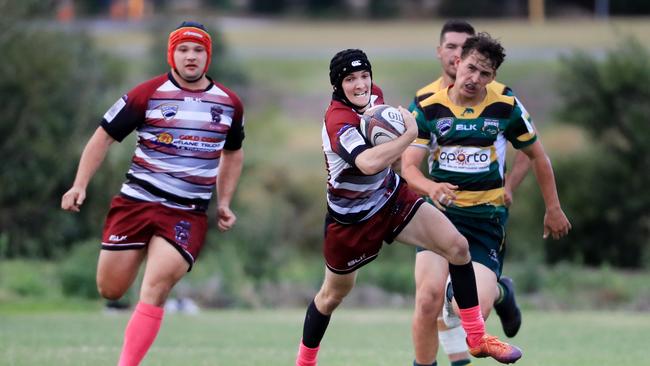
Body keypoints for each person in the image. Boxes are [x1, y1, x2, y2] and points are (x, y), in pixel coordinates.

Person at [294, 48, 522, 366]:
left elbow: (383, 154)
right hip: (351, 221)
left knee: (457, 247)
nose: (360, 85)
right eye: (350, 79)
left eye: (364, 76)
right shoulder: (338, 121)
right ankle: (304, 362)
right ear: (337, 85)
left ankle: (477, 337)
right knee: (332, 296)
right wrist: (410, 135)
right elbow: (368, 162)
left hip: (391, 199)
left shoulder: (376, 98)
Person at [61, 21, 245, 366]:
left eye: (199, 50)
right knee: (110, 289)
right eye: (183, 49)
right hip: (136, 203)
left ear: (208, 56)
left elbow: (233, 152)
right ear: (171, 54)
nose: (191, 56)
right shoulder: (146, 94)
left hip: (186, 212)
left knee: (156, 286)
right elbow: (103, 137)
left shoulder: (229, 104)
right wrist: (79, 184)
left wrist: (224, 202)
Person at [402, 32, 571, 366]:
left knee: (468, 310)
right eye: (471, 68)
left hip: (485, 221)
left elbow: (537, 156)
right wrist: (431, 188)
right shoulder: (427, 103)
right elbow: (408, 167)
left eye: (485, 74)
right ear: (457, 62)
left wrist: (553, 207)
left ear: (493, 76)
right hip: (440, 217)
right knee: (428, 300)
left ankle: (501, 291)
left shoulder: (505, 104)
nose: (474, 79)